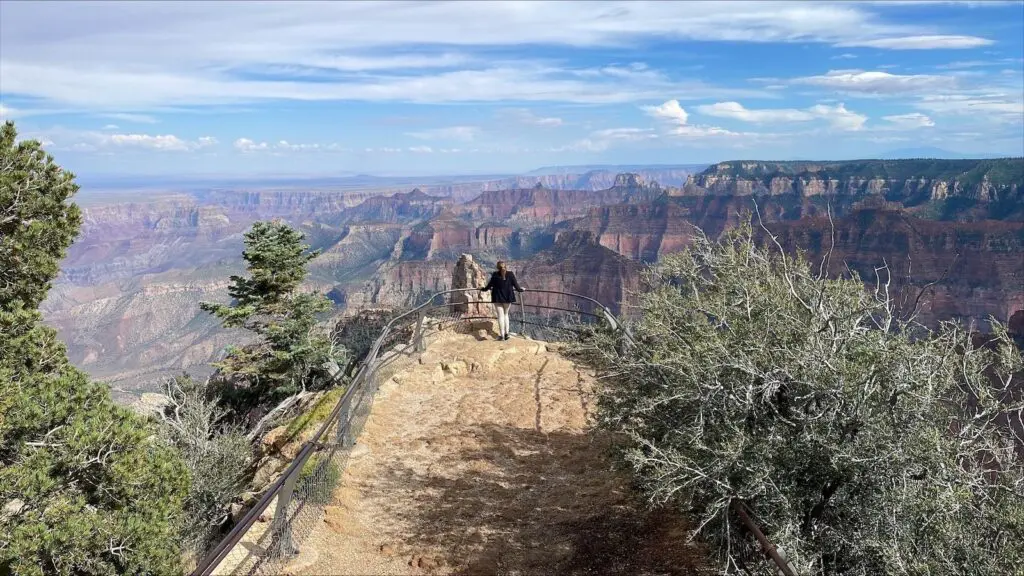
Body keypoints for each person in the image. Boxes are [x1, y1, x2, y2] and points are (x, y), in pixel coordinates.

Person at [479, 260, 524, 341]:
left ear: (497, 267)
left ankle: (502, 336)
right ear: (505, 266)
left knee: (500, 316)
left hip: (497, 298)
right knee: (506, 315)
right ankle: (507, 334)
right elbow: (517, 287)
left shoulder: (495, 275)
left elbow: (488, 287)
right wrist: (522, 289)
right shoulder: (510, 274)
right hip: (508, 298)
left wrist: (482, 289)